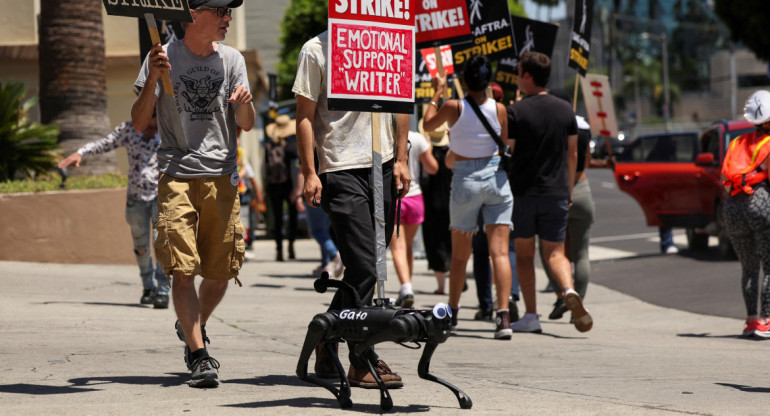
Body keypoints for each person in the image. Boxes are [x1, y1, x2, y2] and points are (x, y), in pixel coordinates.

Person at [131, 0, 255, 388]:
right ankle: (200, 355)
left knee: (221, 271)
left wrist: (246, 106)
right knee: (182, 270)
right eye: (220, 11)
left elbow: (247, 125)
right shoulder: (162, 56)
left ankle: (192, 327)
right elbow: (138, 122)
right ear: (193, 14)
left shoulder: (232, 59)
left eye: (229, 12)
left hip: (222, 175)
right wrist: (152, 79)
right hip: (176, 174)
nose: (227, 18)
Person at [293, 30, 410, 388]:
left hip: (385, 164)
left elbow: (401, 102)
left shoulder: (385, 39)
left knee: (371, 265)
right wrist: (310, 171)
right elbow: (305, 115)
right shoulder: (316, 49)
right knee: (365, 265)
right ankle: (361, 358)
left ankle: (326, 335)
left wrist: (402, 157)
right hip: (340, 168)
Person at [423, 54, 514, 340]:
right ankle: (503, 317)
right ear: (488, 81)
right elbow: (503, 144)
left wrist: (437, 92)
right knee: (498, 252)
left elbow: (427, 125)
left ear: (464, 80)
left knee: (460, 255)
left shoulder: (453, 106)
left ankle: (452, 312)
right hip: (496, 177)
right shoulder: (500, 109)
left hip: (465, 180)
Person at [506, 51, 592, 334]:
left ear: (527, 76)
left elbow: (511, 150)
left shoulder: (516, 111)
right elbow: (573, 155)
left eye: (519, 71)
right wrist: (567, 189)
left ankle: (531, 315)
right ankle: (568, 289)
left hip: (524, 192)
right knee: (555, 252)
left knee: (525, 255)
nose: (517, 76)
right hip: (557, 192)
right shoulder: (565, 109)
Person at [58, 114, 170, 309]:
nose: (151, 122)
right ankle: (148, 287)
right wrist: (81, 153)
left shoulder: (168, 130)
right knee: (141, 247)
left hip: (161, 198)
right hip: (135, 199)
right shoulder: (129, 129)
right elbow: (105, 143)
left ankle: (162, 290)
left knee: (162, 245)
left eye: (154, 114)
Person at [542, 88, 597, 321]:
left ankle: (562, 293)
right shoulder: (584, 128)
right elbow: (587, 161)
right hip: (583, 190)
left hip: (558, 191)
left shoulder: (553, 125)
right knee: (581, 252)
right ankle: (578, 302)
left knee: (550, 251)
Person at [721, 90, 770, 338]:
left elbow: (725, 177)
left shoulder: (736, 143)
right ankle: (767, 320)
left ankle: (751, 321)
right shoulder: (769, 143)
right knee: (769, 266)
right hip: (759, 203)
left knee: (749, 268)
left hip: (732, 207)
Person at [391, 129, 439, 308]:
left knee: (398, 247)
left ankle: (406, 288)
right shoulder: (418, 138)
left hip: (394, 196)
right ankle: (406, 287)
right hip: (416, 197)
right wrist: (429, 148)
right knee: (408, 246)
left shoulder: (386, 135)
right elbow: (433, 168)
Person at [418, 120, 453, 294]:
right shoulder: (452, 153)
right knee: (453, 241)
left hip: (431, 203)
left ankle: (441, 286)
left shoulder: (427, 155)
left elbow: (424, 179)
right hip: (453, 202)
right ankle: (456, 279)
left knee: (434, 243)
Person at [264, 114, 300, 261]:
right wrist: (296, 189)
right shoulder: (292, 146)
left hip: (274, 186)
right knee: (292, 217)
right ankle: (291, 244)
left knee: (278, 218)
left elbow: (265, 168)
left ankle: (279, 250)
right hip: (290, 185)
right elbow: (294, 168)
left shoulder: (269, 146)